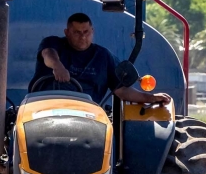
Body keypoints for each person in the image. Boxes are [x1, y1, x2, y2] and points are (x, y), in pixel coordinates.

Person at [28, 13, 171, 105]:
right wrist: (57, 66)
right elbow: (48, 54)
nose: (82, 36)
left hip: (85, 112)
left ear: (92, 31)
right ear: (67, 32)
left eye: (86, 32)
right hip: (43, 106)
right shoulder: (54, 44)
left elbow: (121, 91)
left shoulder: (103, 57)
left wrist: (150, 98)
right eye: (77, 32)